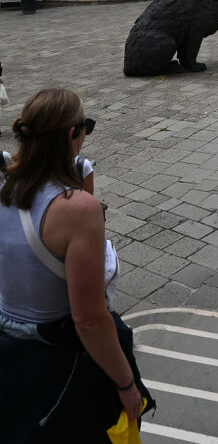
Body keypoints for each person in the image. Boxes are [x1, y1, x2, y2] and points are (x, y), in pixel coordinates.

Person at [0, 89, 150, 439]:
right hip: (57, 359)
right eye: (87, 127)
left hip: (9, 353)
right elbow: (88, 319)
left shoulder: (5, 185)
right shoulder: (78, 208)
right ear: (73, 134)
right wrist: (126, 383)